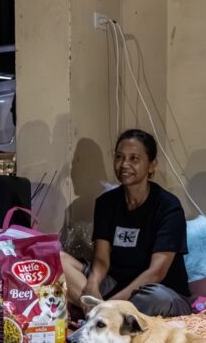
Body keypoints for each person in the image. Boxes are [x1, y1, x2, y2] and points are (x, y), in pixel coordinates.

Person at [61, 129, 191, 319]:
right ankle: (101, 314)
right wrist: (93, 284)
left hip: (155, 292)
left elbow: (156, 272)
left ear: (151, 165)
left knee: (156, 298)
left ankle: (99, 314)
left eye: (134, 159)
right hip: (115, 286)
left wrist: (111, 305)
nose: (124, 165)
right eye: (119, 157)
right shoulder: (106, 203)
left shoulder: (168, 207)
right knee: (58, 260)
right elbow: (101, 260)